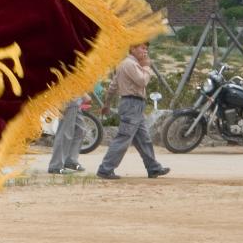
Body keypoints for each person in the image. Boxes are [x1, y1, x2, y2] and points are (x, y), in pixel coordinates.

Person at [97, 43, 170, 180]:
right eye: (142, 48)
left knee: (144, 139)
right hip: (132, 103)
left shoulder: (126, 64)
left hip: (134, 104)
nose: (145, 51)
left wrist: (106, 104)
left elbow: (113, 86)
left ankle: (153, 168)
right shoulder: (129, 64)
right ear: (132, 49)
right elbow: (142, 81)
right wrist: (147, 66)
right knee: (123, 137)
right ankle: (105, 169)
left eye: (146, 49)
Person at [47, 97, 87, 174]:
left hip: (76, 98)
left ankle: (70, 160)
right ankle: (56, 166)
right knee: (65, 132)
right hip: (68, 96)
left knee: (80, 130)